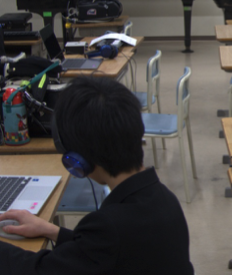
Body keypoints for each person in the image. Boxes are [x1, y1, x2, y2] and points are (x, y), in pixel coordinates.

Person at [0, 77, 194, 275]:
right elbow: (104, 252)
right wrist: (51, 230)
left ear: (78, 160)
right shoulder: (164, 199)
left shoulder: (109, 227)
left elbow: (40, 270)